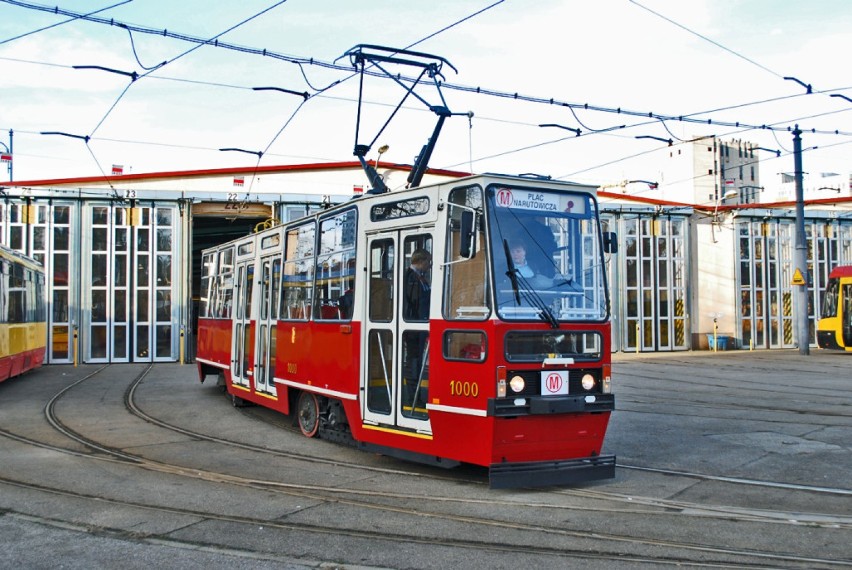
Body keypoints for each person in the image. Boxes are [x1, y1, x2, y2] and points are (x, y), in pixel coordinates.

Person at [404, 249, 431, 321]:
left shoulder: (419, 276)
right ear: (420, 261)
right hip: (416, 319)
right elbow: (414, 300)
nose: (429, 265)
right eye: (428, 261)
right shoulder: (411, 277)